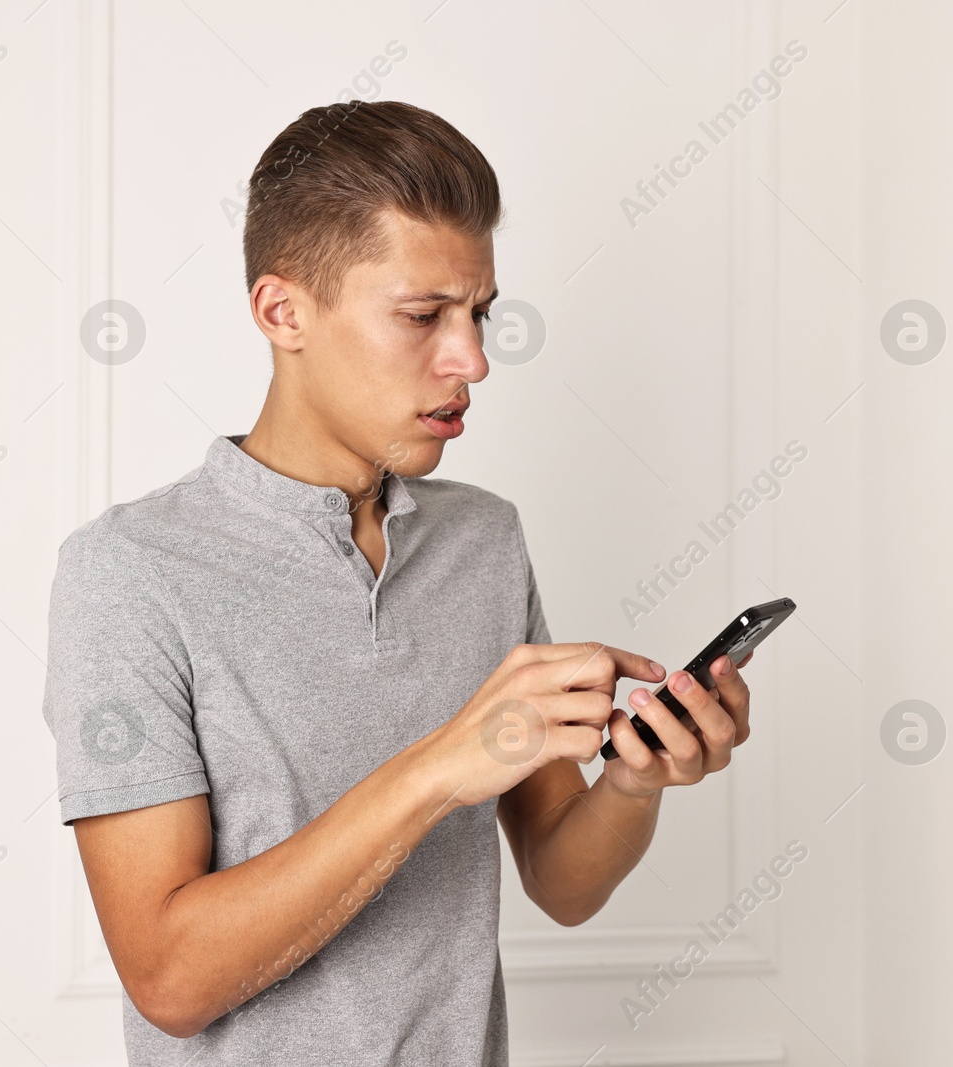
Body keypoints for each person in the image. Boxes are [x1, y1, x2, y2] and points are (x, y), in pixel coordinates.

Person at [42, 99, 754, 1067]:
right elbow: (170, 977)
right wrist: (437, 769)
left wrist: (633, 778)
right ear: (280, 311)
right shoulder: (129, 571)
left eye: (479, 314)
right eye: (423, 315)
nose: (471, 359)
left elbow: (562, 879)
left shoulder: (483, 538)